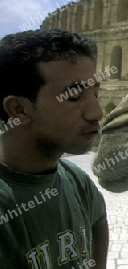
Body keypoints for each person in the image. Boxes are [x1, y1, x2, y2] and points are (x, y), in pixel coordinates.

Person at [0, 29, 109, 268]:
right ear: (19, 109)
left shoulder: (78, 182)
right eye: (73, 96)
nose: (97, 113)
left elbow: (99, 220)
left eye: (95, 93)